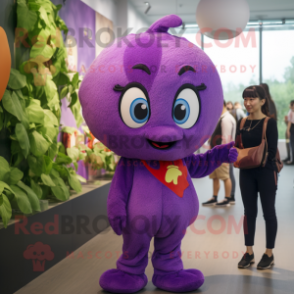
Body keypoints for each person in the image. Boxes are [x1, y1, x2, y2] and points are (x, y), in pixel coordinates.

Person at [236, 85, 278, 270]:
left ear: (262, 101)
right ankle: (249, 252)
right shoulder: (243, 122)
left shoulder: (270, 123)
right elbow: (237, 146)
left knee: (268, 212)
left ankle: (269, 254)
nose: (248, 102)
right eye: (245, 99)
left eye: (252, 99)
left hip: (266, 173)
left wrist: (257, 160)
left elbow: (271, 151)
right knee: (248, 213)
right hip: (246, 173)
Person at [202, 101, 236, 207]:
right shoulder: (222, 118)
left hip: (222, 154)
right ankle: (215, 197)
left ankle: (227, 198)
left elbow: (226, 139)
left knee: (225, 176)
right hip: (216, 153)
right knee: (215, 176)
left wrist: (222, 155)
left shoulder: (226, 119)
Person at [286, 100, 294, 165]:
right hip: (292, 128)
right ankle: (292, 160)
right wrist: (288, 130)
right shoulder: (290, 112)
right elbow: (289, 122)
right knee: (292, 144)